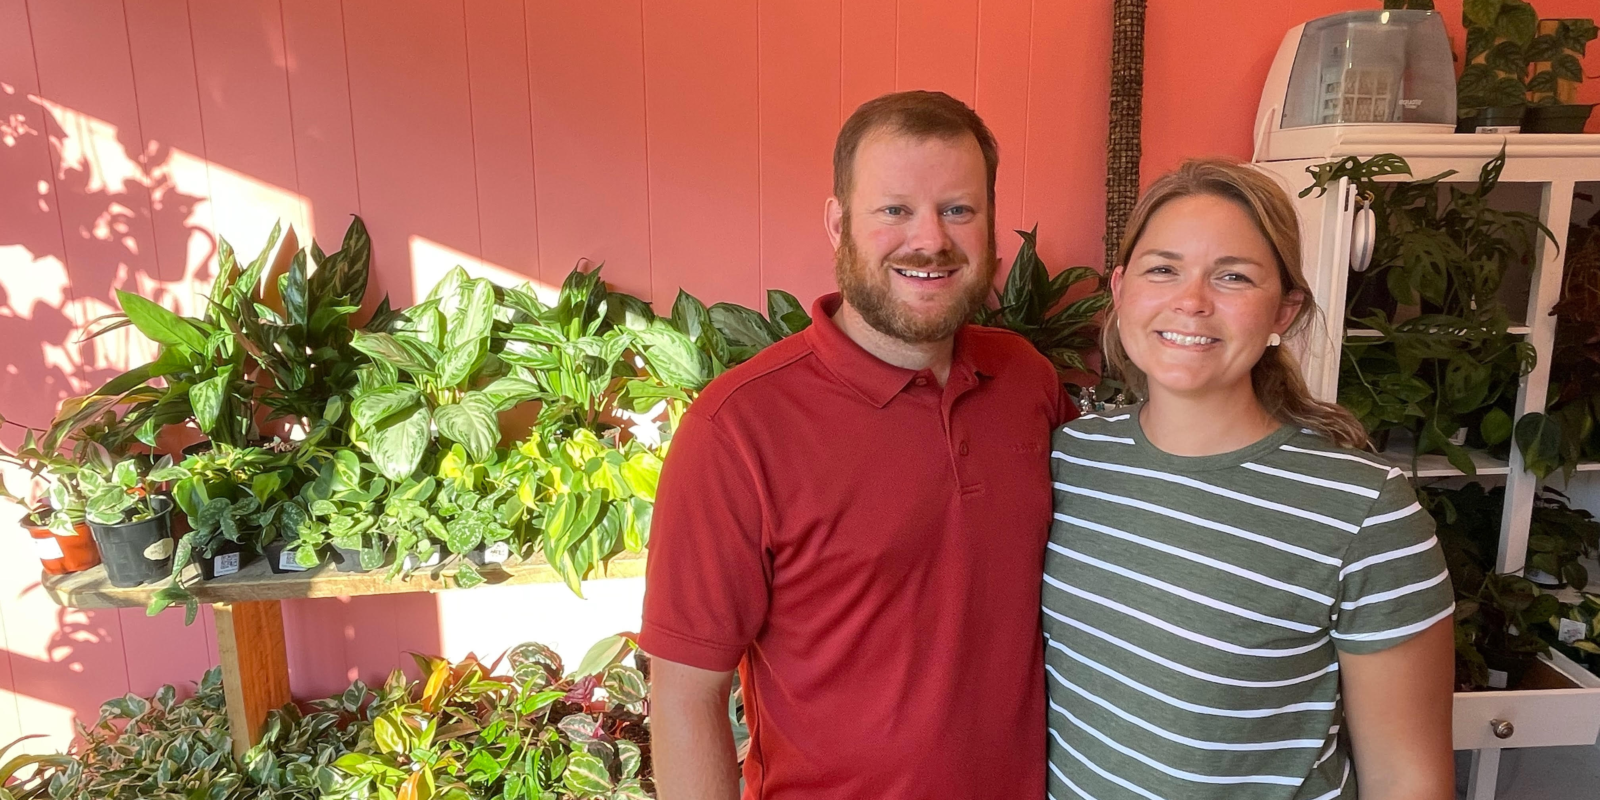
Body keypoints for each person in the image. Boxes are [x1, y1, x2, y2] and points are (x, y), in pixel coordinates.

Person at [640, 90, 1073, 800]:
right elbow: (686, 695)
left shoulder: (1027, 382)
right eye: (894, 210)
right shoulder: (738, 430)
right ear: (838, 224)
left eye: (958, 210)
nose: (929, 239)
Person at [1043, 158, 1454, 800]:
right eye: (1163, 269)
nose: (1192, 301)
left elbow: (1408, 776)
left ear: (1283, 312)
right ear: (1120, 290)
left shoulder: (1367, 510)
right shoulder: (1071, 459)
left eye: (1232, 276)